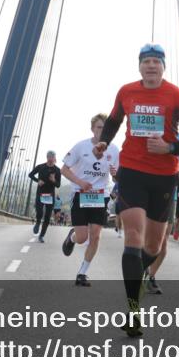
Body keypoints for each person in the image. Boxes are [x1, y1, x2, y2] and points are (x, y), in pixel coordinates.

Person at [95, 44, 179, 336]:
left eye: (156, 61)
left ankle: (138, 285)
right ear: (139, 66)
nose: (151, 66)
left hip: (164, 177)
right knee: (133, 236)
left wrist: (170, 147)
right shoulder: (126, 91)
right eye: (147, 62)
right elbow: (115, 121)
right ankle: (132, 310)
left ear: (163, 67)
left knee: (154, 247)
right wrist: (104, 142)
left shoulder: (176, 95)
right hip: (131, 171)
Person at [61, 114, 119, 287]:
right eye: (99, 127)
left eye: (105, 128)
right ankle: (71, 237)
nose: (102, 131)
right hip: (81, 194)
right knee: (81, 237)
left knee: (95, 236)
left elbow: (116, 178)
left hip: (101, 196)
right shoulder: (81, 147)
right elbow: (64, 169)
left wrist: (116, 176)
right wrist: (80, 182)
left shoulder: (114, 150)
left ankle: (82, 273)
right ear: (92, 129)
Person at [145, 133, 179, 294]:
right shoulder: (147, 132)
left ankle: (151, 277)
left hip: (168, 194)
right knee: (144, 237)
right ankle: (140, 269)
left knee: (163, 240)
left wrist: (176, 163)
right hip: (145, 191)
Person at [28, 150, 61, 243]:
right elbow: (30, 175)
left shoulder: (57, 170)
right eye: (49, 157)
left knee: (47, 217)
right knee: (39, 212)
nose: (51, 159)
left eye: (52, 157)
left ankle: (41, 236)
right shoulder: (40, 167)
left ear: (54, 158)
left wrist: (54, 180)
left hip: (50, 196)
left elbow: (58, 185)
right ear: (47, 157)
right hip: (40, 194)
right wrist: (38, 180)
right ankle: (38, 222)